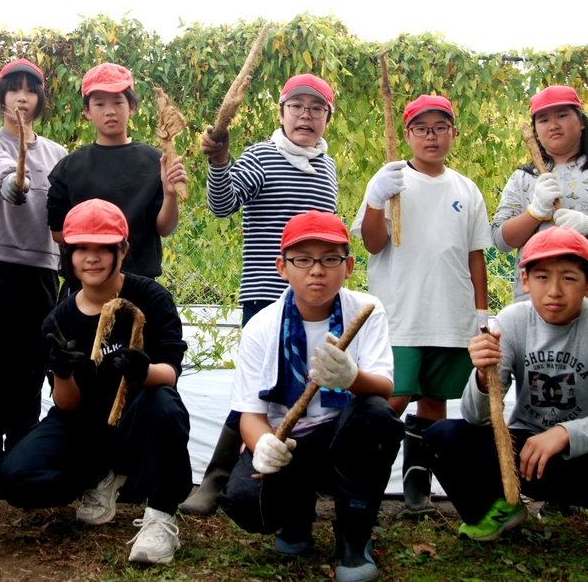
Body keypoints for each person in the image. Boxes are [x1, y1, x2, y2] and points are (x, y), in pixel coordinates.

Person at [424, 227, 588, 563]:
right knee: (442, 436)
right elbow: (474, 418)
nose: (554, 291)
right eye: (542, 277)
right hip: (526, 462)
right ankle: (500, 506)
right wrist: (482, 376)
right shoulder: (511, 322)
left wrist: (566, 433)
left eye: (569, 278)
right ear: (525, 281)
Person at [0, 199, 190, 566]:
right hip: (83, 422)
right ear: (68, 254)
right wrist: (63, 372)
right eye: (81, 248)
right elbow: (66, 404)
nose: (92, 258)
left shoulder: (150, 298)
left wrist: (141, 371)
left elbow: (171, 373)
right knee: (13, 477)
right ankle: (101, 474)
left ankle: (160, 517)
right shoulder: (58, 319)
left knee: (161, 404)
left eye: (104, 248)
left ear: (124, 250)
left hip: (137, 414)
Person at [181, 74, 339, 515]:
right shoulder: (261, 156)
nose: (305, 115)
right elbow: (222, 203)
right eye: (297, 106)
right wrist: (219, 163)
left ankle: (292, 480)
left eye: (316, 108)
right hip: (268, 294)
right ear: (282, 113)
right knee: (258, 389)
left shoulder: (327, 166)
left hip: (314, 300)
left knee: (303, 389)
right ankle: (216, 481)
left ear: (327, 117)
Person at [219, 210, 404, 582]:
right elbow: (250, 415)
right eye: (302, 260)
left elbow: (384, 389)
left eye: (330, 259)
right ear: (282, 267)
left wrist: (351, 378)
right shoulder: (262, 327)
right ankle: (295, 515)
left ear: (349, 266)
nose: (316, 270)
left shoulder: (367, 310)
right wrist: (264, 445)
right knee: (245, 502)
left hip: (342, 436)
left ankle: (354, 536)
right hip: (291, 441)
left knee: (376, 418)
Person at [350, 94, 492, 513]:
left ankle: (417, 488)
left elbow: (475, 256)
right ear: (407, 134)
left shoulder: (466, 189)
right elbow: (373, 244)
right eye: (421, 128)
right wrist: (376, 199)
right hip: (401, 313)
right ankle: (360, 478)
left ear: (453, 133)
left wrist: (481, 315)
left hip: (451, 315)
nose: (431, 136)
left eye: (440, 127)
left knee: (434, 400)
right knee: (392, 398)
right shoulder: (391, 180)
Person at [0, 59, 68, 498]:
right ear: (2, 96)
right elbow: (3, 182)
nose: (22, 98)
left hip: (42, 268)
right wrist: (15, 182)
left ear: (40, 100)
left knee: (31, 365)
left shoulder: (58, 154)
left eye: (30, 91)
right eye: (14, 90)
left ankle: (16, 463)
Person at [491, 85, 588, 310]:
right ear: (535, 130)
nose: (553, 125)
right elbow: (501, 240)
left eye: (562, 115)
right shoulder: (523, 178)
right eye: (543, 120)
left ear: (581, 122)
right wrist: (534, 212)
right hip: (533, 301)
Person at [46, 62, 187, 284]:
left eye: (118, 102)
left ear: (131, 107)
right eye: (99, 103)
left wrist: (170, 194)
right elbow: (58, 233)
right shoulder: (68, 167)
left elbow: (164, 228)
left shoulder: (155, 161)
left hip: (139, 284)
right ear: (87, 111)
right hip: (84, 287)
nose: (110, 111)